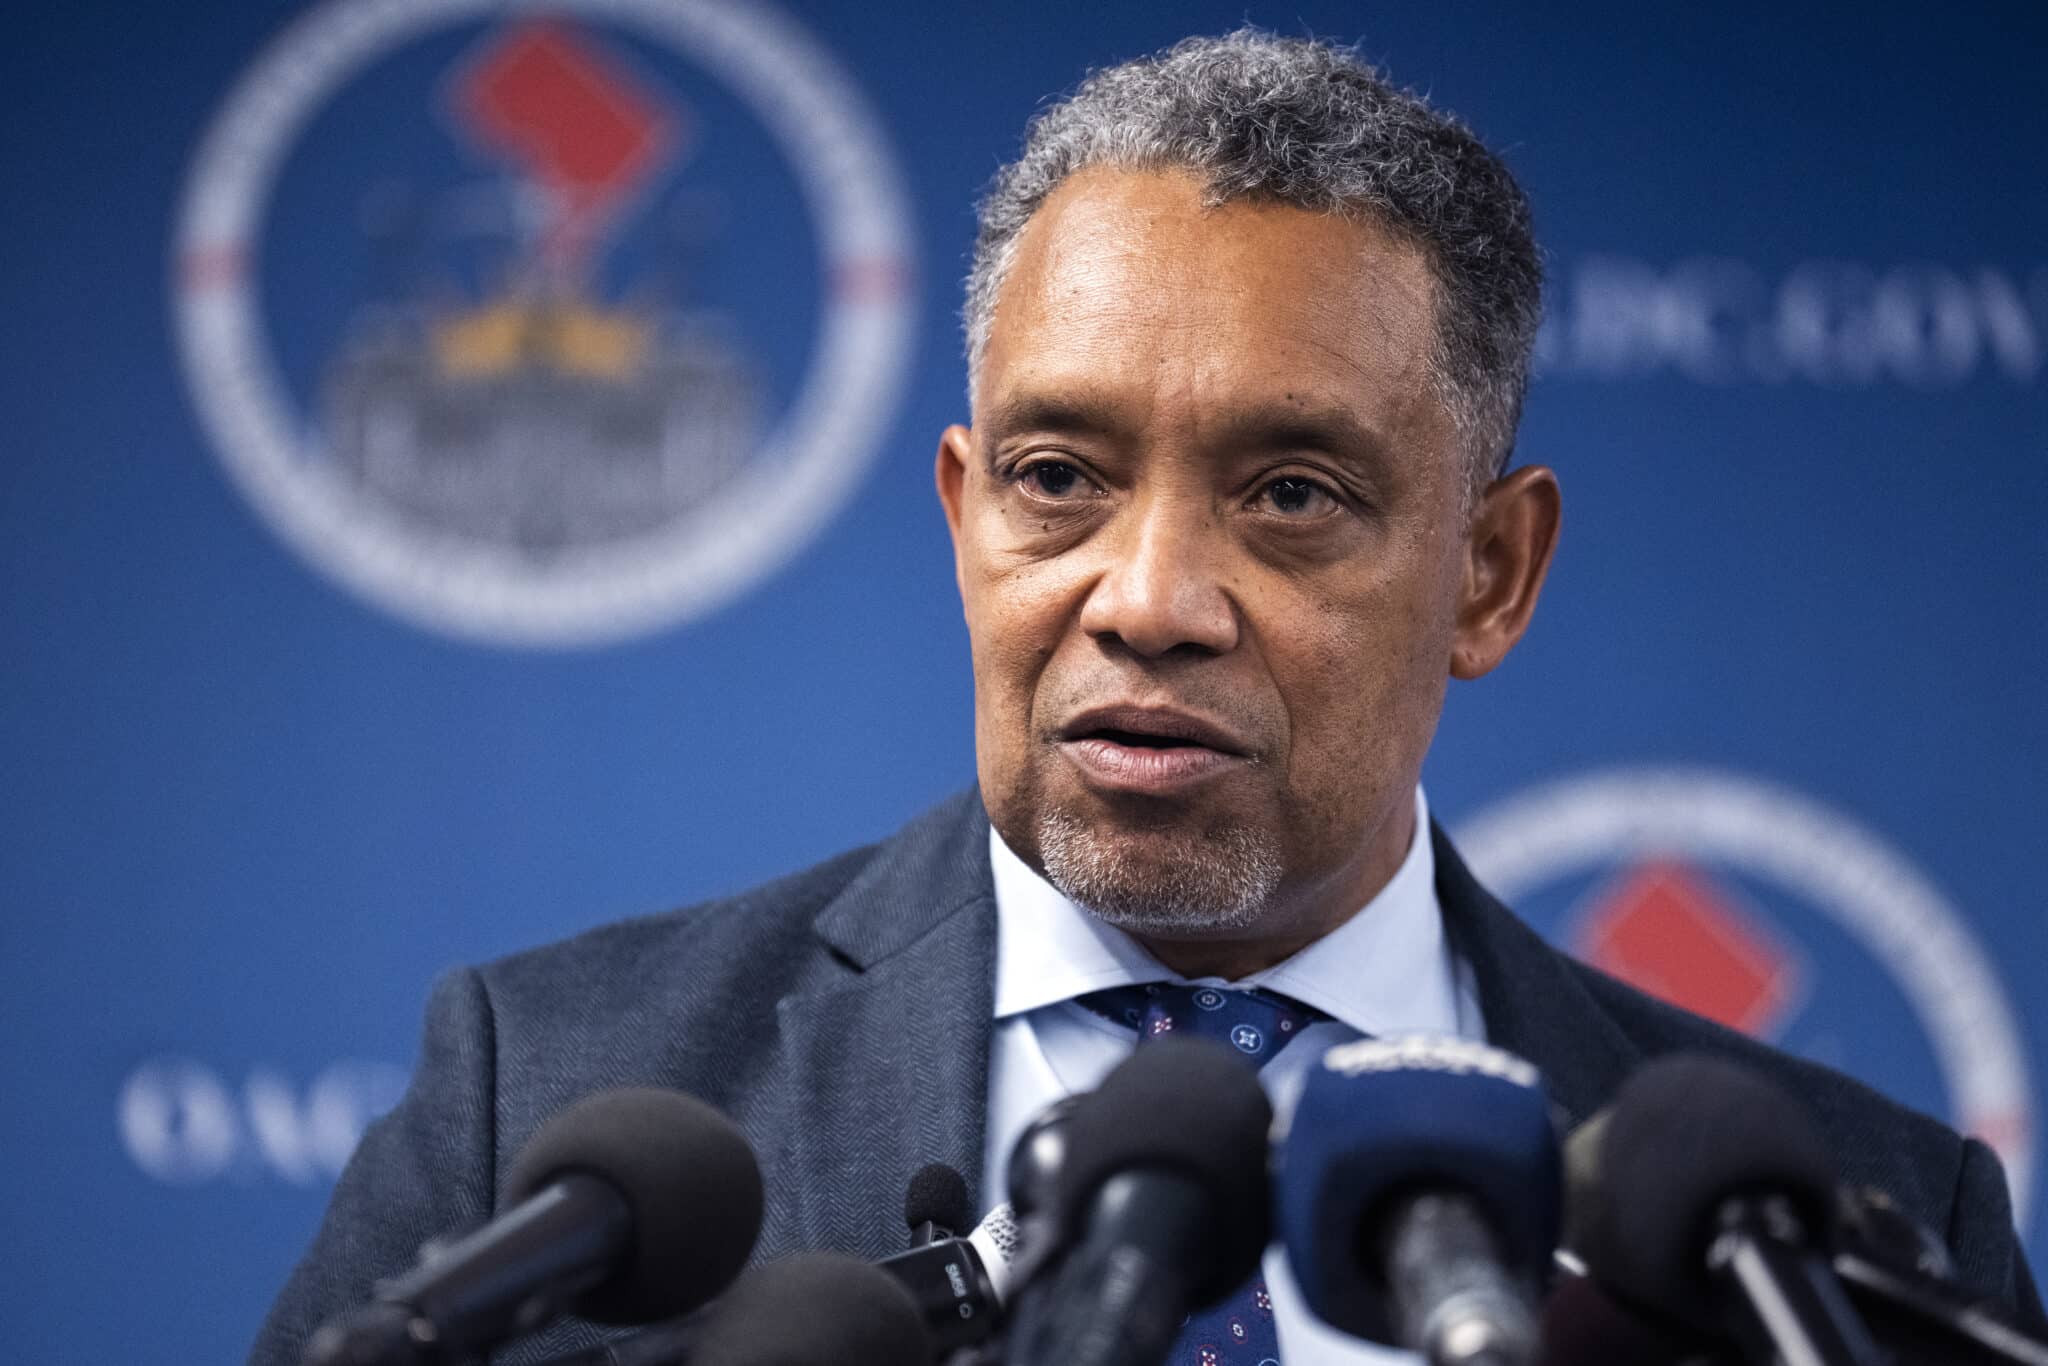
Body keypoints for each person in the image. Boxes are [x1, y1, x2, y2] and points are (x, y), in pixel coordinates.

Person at [251, 30, 2038, 1366]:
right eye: (1058, 476)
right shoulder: (551, 1119)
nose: (1151, 600)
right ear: (962, 517)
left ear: (1490, 572)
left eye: (1292, 495)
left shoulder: (1827, 1247)